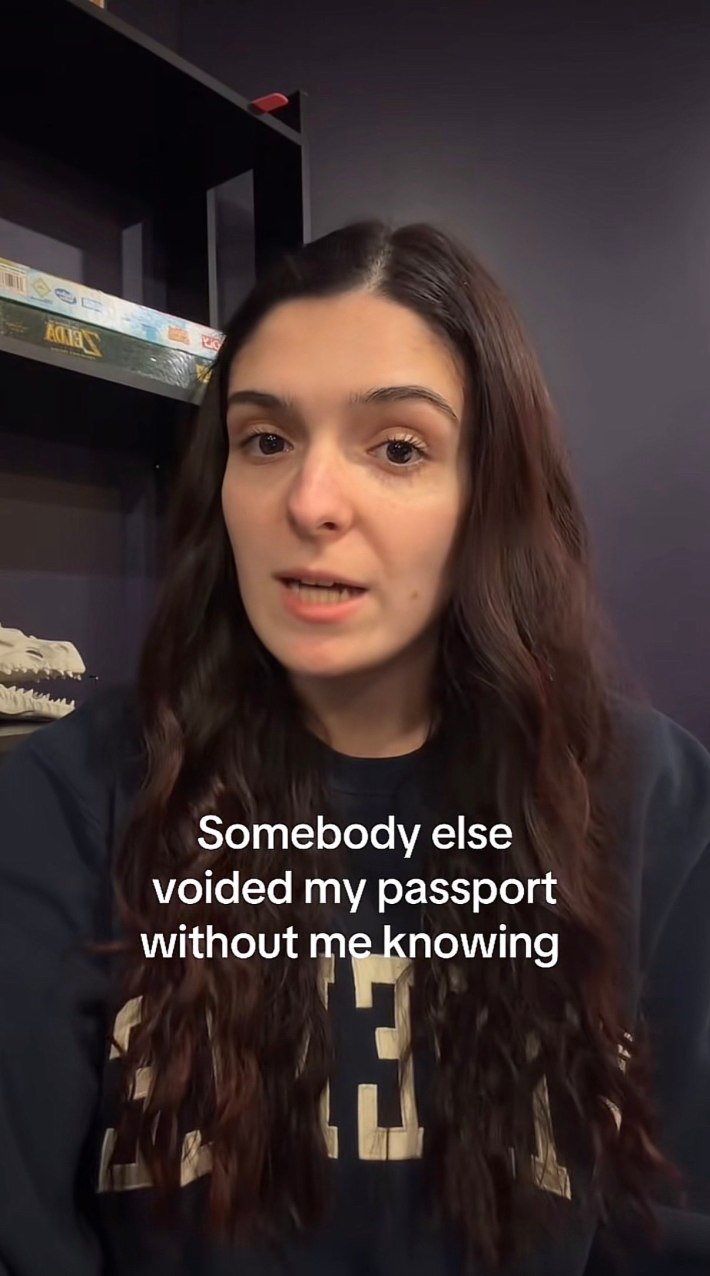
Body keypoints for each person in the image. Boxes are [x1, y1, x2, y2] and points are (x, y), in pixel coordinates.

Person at [0, 219, 708, 1276]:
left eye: (397, 448)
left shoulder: (651, 800)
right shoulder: (72, 799)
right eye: (265, 440)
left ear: (491, 495)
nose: (309, 502)